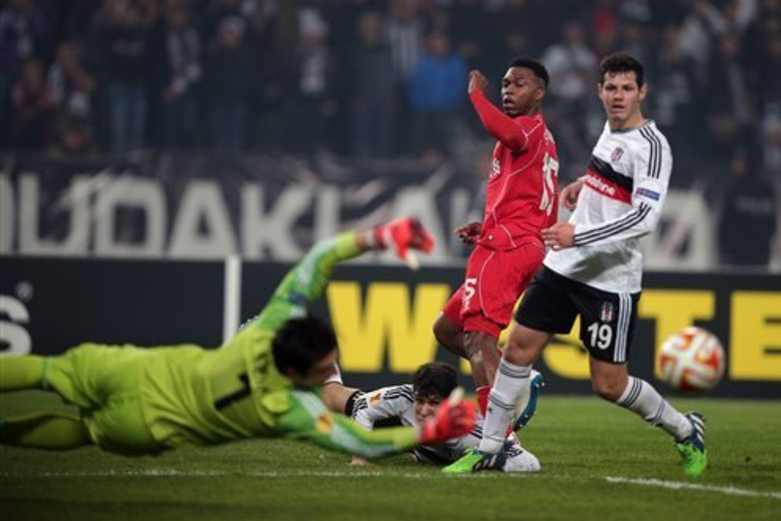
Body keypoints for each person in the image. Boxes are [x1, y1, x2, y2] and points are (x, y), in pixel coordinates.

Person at [0, 218, 477, 459]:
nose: (331, 368)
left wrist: (380, 235)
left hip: (131, 369)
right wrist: (431, 431)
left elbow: (320, 257)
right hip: (143, 429)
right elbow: (363, 444)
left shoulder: (270, 323)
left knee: (46, 371)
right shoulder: (289, 410)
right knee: (85, 433)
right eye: (324, 366)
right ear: (297, 375)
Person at [443, 53, 707, 477]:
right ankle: (493, 447)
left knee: (609, 385)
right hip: (565, 265)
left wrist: (577, 234)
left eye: (626, 89)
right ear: (599, 91)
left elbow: (645, 217)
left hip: (610, 278)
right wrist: (586, 186)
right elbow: (612, 178)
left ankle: (683, 427)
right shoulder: (609, 130)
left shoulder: (653, 147)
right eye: (611, 88)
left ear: (643, 92)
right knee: (517, 350)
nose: (618, 96)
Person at [433, 57, 559, 424]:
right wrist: (486, 224)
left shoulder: (528, 130)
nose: (507, 90)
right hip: (515, 239)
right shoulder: (542, 139)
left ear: (539, 93)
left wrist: (476, 96)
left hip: (510, 245)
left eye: (518, 84)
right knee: (447, 329)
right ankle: (515, 381)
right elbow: (524, 195)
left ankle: (499, 438)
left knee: (478, 338)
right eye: (505, 84)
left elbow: (506, 133)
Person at [347, 362, 542, 472]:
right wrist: (359, 456)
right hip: (413, 437)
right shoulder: (405, 397)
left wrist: (498, 456)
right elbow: (362, 405)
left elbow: (529, 462)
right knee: (345, 402)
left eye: (433, 403)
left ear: (450, 403)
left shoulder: (471, 431)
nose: (423, 410)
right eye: (420, 400)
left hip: (431, 451)